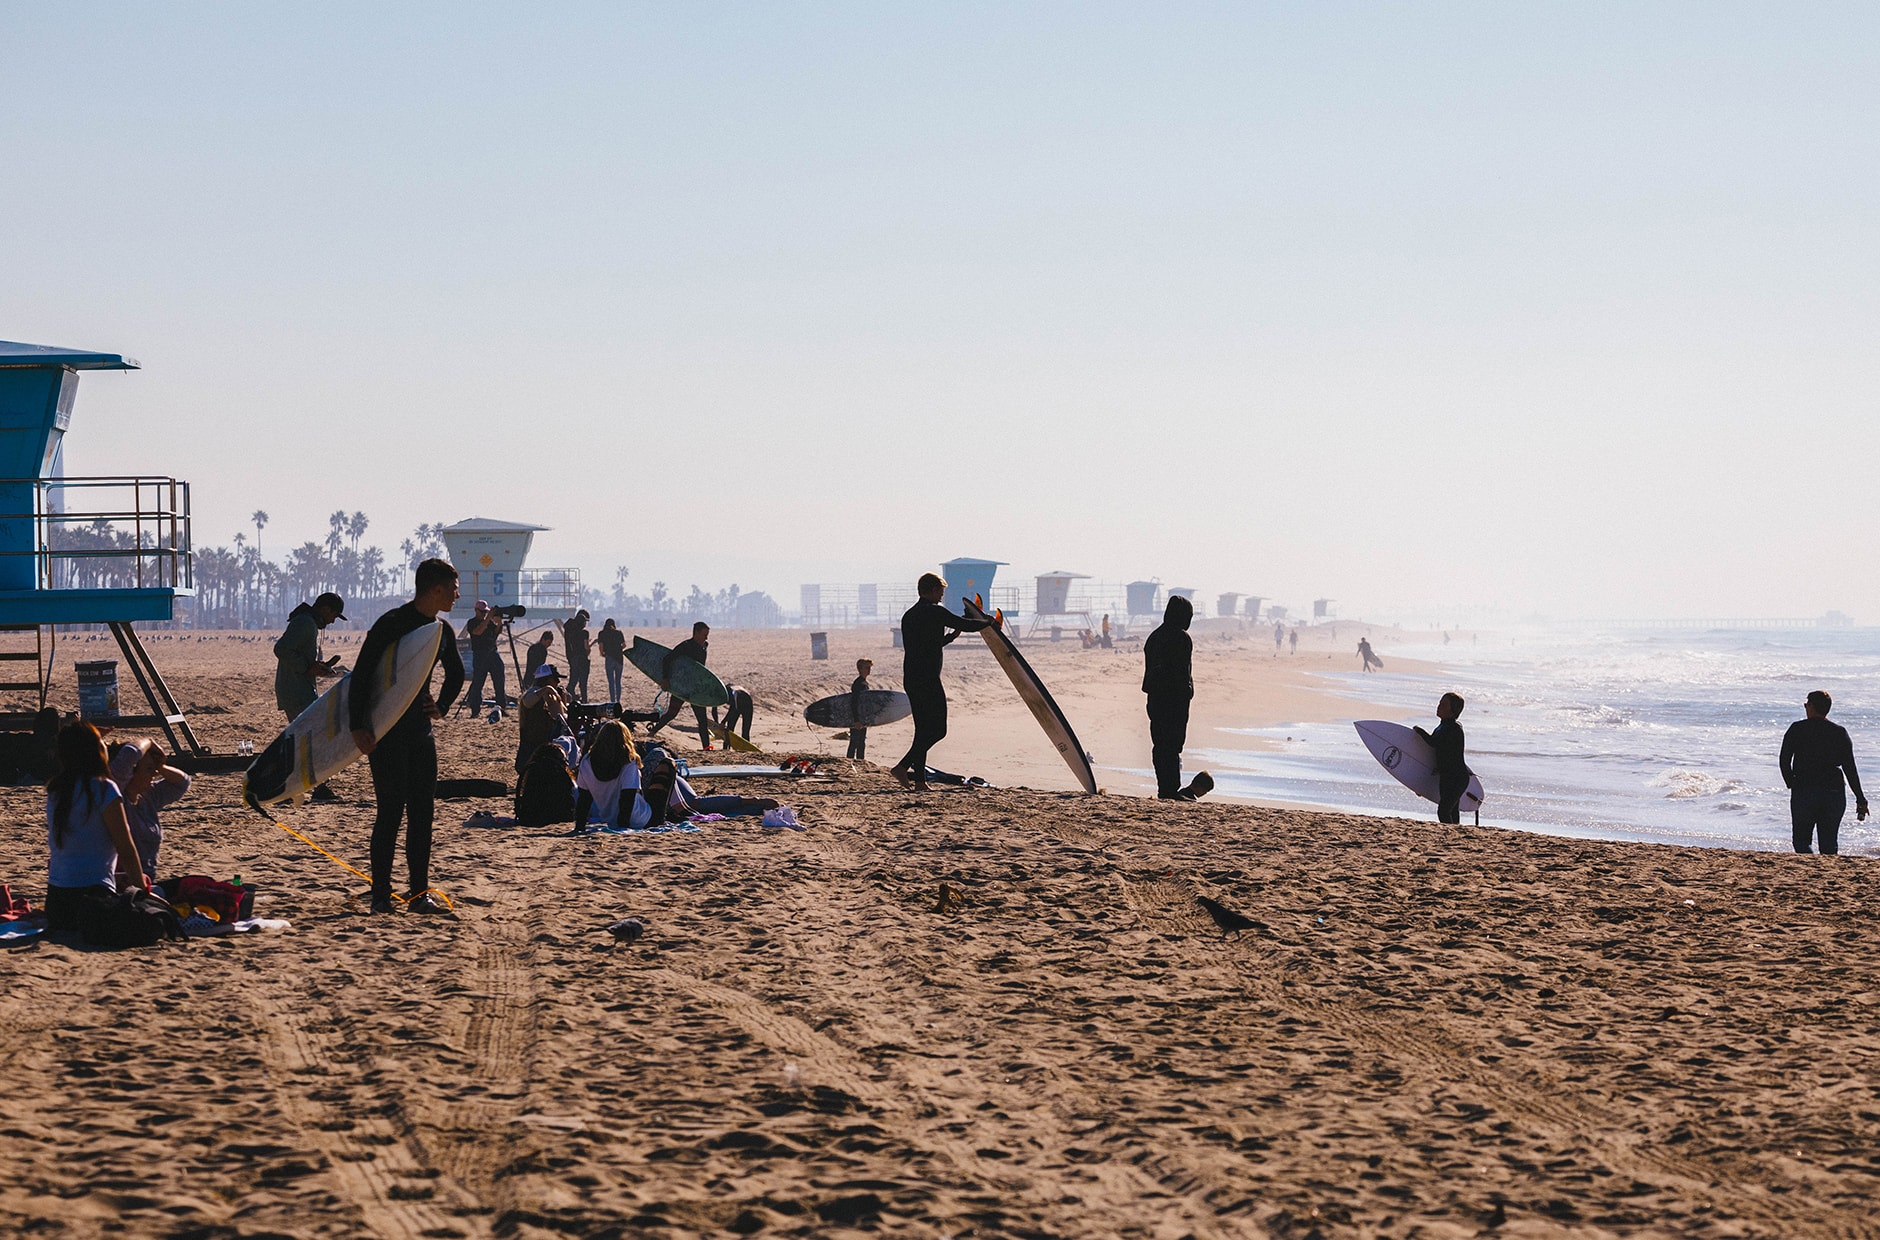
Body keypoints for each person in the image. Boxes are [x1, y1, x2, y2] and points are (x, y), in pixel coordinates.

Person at [350, 558, 464, 916]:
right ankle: (381, 894)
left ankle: (418, 894)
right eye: (454, 588)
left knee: (422, 814)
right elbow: (362, 675)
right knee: (389, 813)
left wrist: (441, 706)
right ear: (436, 590)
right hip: (386, 732)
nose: (458, 595)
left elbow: (457, 674)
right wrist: (358, 725)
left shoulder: (441, 631)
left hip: (420, 733)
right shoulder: (393, 624)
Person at [890, 574, 992, 791]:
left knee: (922, 730)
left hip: (912, 677)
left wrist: (952, 636)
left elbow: (927, 644)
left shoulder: (909, 615)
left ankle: (919, 782)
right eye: (940, 591)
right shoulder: (934, 611)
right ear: (933, 590)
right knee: (938, 730)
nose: (942, 595)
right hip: (928, 679)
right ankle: (902, 766)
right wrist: (989, 623)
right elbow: (964, 623)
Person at [45, 721, 150, 932]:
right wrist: (142, 894)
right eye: (102, 743)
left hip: (56, 905)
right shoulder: (104, 789)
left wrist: (87, 737)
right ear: (95, 751)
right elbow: (126, 849)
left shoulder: (56, 790)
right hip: (93, 899)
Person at [274, 591, 345, 799]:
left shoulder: (307, 622)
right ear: (324, 609)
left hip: (300, 689)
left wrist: (318, 668)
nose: (332, 621)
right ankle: (300, 788)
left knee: (307, 739)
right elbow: (281, 649)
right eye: (334, 615)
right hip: (296, 691)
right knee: (312, 738)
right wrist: (307, 667)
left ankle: (304, 787)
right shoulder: (305, 623)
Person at [1780, 690, 1868, 856]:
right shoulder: (1839, 732)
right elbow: (1850, 768)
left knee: (1801, 842)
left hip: (1804, 789)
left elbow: (1784, 760)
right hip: (1833, 791)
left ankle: (1809, 874)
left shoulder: (1797, 729)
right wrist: (1860, 798)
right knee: (1829, 844)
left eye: (1806, 705)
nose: (1805, 708)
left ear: (1812, 706)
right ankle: (1827, 876)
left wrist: (1791, 783)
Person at [108, 739, 192, 888]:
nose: (154, 773)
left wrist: (161, 766)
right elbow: (128, 757)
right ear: (130, 773)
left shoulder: (148, 796)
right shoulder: (116, 796)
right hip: (123, 883)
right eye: (148, 769)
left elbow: (182, 782)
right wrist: (149, 741)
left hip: (148, 881)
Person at [1142, 595, 1196, 800]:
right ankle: (1170, 789)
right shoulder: (1181, 638)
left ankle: (1164, 788)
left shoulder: (1154, 637)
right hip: (1174, 700)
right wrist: (1186, 693)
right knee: (1173, 745)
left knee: (1160, 743)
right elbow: (1182, 672)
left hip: (1155, 699)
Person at [572, 720, 652, 832]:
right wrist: (623, 828)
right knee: (665, 762)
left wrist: (579, 827)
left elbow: (584, 799)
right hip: (639, 818)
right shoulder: (628, 761)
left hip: (609, 820)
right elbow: (627, 797)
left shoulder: (587, 761)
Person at [649, 622, 714, 749]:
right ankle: (652, 732)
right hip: (683, 687)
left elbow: (701, 669)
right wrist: (665, 679)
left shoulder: (704, 646)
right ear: (695, 633)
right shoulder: (686, 646)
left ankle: (706, 747)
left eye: (707, 635)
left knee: (702, 719)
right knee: (672, 713)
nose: (706, 638)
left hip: (695, 688)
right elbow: (667, 659)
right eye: (704, 635)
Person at [1414, 692, 1471, 825]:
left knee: (1444, 811)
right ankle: (1454, 839)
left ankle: (1452, 838)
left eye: (1444, 705)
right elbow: (1442, 754)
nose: (1439, 706)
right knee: (1452, 811)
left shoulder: (1454, 729)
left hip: (1457, 778)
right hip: (1447, 776)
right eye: (1440, 703)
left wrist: (1419, 731)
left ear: (1453, 711)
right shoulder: (1442, 727)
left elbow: (1434, 743)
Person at [516, 664, 573, 774]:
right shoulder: (536, 692)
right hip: (533, 744)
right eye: (555, 679)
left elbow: (561, 717)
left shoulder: (550, 696)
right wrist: (547, 690)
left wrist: (562, 701)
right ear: (546, 680)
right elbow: (527, 701)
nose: (558, 682)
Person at [464, 601, 508, 715]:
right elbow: (477, 632)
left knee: (499, 680)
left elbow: (496, 634)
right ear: (476, 610)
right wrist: (488, 619)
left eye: (486, 612)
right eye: (482, 612)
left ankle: (501, 707)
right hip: (480, 654)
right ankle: (475, 709)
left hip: (493, 653)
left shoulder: (489, 622)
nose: (484, 614)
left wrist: (499, 624)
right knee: (478, 682)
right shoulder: (472, 622)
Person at [562, 609, 592, 703]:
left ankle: (569, 696)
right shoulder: (584, 633)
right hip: (582, 658)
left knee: (573, 678)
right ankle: (584, 700)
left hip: (572, 656)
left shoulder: (570, 629)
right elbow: (586, 648)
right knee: (583, 682)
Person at [595, 619, 627, 704]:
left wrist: (602, 654)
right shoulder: (619, 633)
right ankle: (618, 700)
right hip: (619, 658)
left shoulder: (602, 633)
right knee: (618, 681)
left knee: (611, 682)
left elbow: (601, 646)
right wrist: (618, 649)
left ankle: (612, 700)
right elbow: (624, 645)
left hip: (609, 657)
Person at [847, 658, 873, 760]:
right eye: (867, 668)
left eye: (869, 668)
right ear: (860, 669)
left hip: (861, 718)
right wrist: (856, 720)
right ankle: (850, 762)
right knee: (855, 742)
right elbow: (854, 703)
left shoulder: (863, 682)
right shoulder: (859, 684)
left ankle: (859, 762)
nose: (869, 670)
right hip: (857, 718)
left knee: (861, 742)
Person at [719, 683, 755, 747]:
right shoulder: (720, 693)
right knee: (730, 728)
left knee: (745, 730)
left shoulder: (732, 692)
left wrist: (723, 722)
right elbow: (714, 708)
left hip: (747, 704)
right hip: (737, 704)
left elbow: (733, 709)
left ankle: (746, 747)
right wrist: (716, 722)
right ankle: (726, 747)